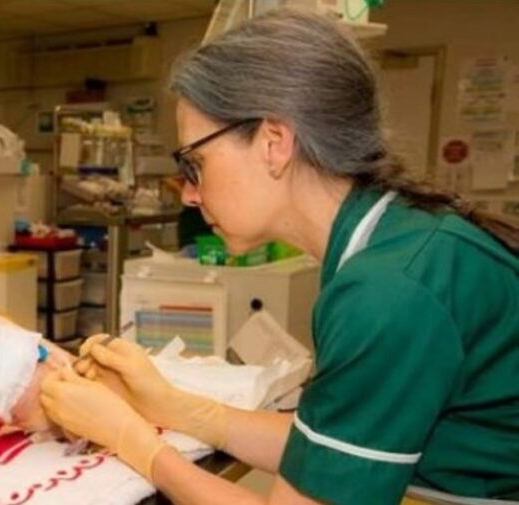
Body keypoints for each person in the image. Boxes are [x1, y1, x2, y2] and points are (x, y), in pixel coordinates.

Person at [40, 10, 519, 505]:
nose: (187, 193)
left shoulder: (390, 290)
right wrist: (177, 407)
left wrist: (132, 442)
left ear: (274, 143)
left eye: (193, 163)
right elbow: (334, 451)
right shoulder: (395, 242)